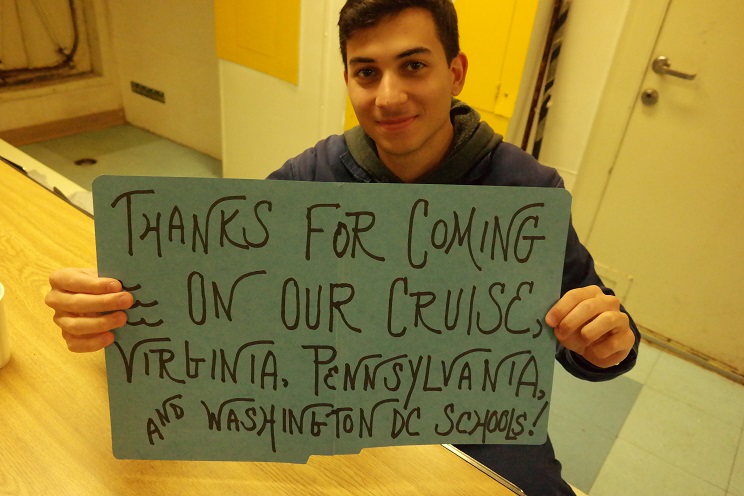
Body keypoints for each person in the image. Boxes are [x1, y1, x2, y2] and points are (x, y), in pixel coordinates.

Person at [45, 1, 639, 494]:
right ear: (349, 79)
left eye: (413, 66)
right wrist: (116, 313)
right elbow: (218, 308)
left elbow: (586, 336)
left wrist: (606, 344)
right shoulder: (308, 182)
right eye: (366, 72)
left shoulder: (528, 194)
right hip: (334, 429)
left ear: (455, 73)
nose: (388, 97)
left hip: (481, 439)